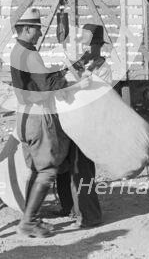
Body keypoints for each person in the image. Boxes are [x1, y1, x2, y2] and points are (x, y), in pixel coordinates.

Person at [10, 8, 90, 238]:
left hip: (23, 115)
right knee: (48, 169)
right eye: (36, 29)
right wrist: (75, 85)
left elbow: (39, 80)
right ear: (26, 29)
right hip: (37, 116)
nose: (39, 33)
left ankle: (30, 215)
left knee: (36, 168)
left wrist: (59, 73)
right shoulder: (32, 55)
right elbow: (47, 86)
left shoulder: (17, 51)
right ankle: (29, 222)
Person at [56, 24, 108, 228]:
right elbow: (64, 82)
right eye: (84, 45)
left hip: (88, 123)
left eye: (90, 45)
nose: (86, 49)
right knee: (64, 166)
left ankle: (91, 216)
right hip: (72, 120)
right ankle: (69, 208)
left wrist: (76, 83)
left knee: (82, 169)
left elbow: (99, 96)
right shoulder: (80, 63)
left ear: (98, 46)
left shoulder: (103, 68)